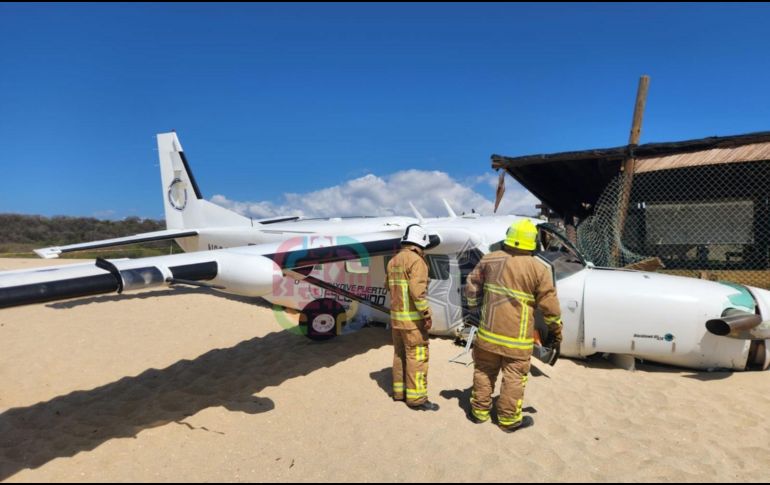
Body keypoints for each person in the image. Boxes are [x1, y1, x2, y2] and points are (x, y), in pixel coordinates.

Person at [465, 219, 562, 432]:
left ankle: (479, 412)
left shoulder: (490, 259)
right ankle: (508, 420)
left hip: (487, 334)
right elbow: (550, 307)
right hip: (517, 340)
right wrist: (556, 331)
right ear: (532, 242)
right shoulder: (539, 269)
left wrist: (473, 308)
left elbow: (471, 286)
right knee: (514, 378)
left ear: (509, 237)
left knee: (483, 371)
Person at [386, 224, 439, 411]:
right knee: (417, 357)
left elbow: (388, 287)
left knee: (400, 354)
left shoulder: (392, 261)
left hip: (396, 320)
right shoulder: (417, 261)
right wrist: (426, 314)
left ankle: (399, 393)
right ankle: (417, 400)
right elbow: (417, 292)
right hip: (412, 323)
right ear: (420, 243)